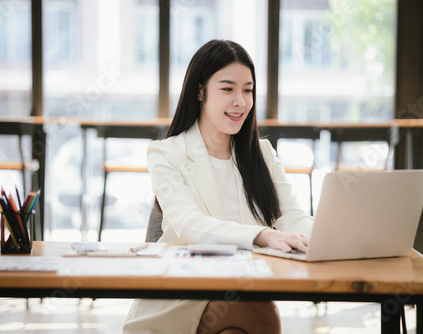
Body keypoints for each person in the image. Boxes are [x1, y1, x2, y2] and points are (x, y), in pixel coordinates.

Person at [123, 39, 313, 334]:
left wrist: (325, 237)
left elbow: (292, 215)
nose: (241, 101)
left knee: (250, 315)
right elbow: (189, 225)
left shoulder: (261, 153)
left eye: (248, 90)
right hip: (183, 291)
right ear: (200, 91)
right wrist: (262, 235)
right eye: (227, 89)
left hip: (240, 287)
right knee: (260, 314)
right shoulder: (166, 153)